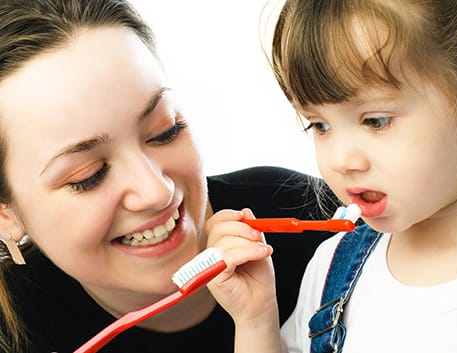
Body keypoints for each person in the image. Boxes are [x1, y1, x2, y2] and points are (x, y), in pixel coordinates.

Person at [0, 0, 343, 352]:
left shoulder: (317, 226)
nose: (156, 192)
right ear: (5, 213)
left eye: (165, 130)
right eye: (89, 175)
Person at [207, 0, 457, 352]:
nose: (340, 159)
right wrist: (255, 320)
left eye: (376, 120)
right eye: (320, 125)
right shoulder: (331, 265)